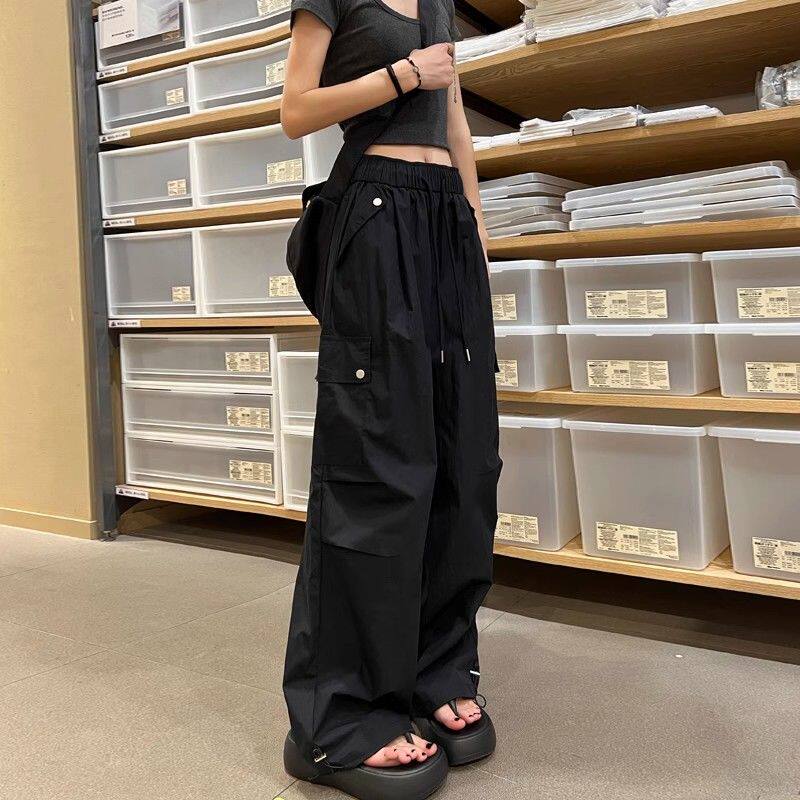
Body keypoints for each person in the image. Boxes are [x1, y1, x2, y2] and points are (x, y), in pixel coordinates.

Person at [280, 0, 500, 796]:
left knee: (464, 460)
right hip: (374, 213)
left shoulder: (438, 4)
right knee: (376, 463)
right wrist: (402, 74)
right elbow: (296, 112)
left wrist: (475, 228)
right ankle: (340, 714)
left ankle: (436, 669)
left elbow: (457, 121)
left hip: (444, 222)